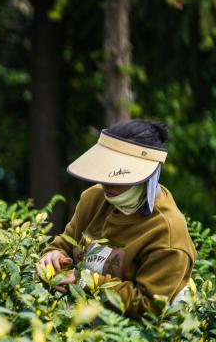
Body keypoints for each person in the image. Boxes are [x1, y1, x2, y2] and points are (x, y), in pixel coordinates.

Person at [39, 120, 196, 318]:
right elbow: (64, 244)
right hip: (82, 319)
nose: (107, 182)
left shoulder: (167, 233)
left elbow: (149, 305)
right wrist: (53, 255)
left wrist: (86, 282)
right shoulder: (94, 198)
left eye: (118, 174)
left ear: (146, 176)